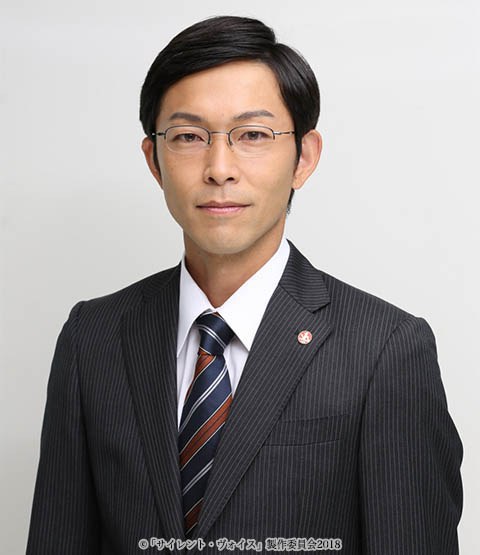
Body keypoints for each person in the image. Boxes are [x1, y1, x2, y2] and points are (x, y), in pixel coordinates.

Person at [26, 15, 463, 555]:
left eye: (253, 135)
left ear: (304, 157)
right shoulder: (93, 337)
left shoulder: (385, 349)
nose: (219, 168)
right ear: (154, 160)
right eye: (188, 137)